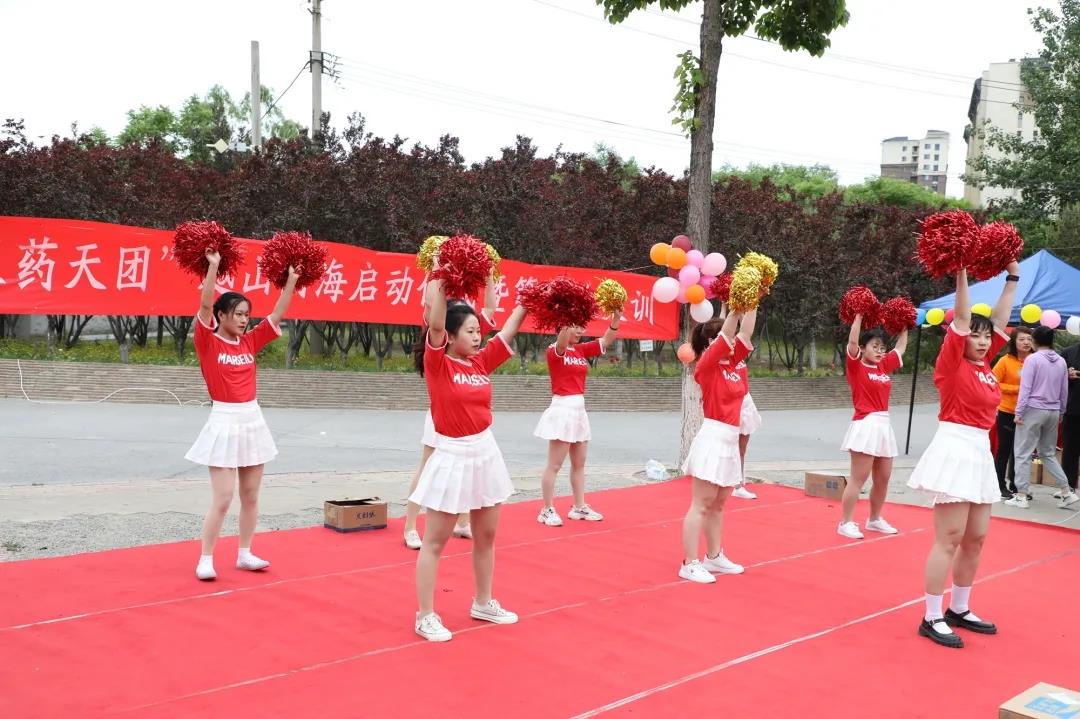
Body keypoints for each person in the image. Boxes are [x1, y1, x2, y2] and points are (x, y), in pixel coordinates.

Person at [410, 277, 528, 642]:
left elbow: (506, 334)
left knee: (486, 536)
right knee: (435, 541)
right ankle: (425, 615)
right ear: (451, 335)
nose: (478, 337)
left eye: (479, 331)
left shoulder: (479, 363)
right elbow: (434, 325)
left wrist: (527, 302)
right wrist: (444, 285)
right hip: (452, 454)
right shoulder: (438, 364)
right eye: (471, 331)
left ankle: (483, 602)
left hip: (485, 452)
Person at [907, 262, 1018, 648]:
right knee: (950, 537)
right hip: (954, 447)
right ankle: (931, 615)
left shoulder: (986, 364)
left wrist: (1012, 278)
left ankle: (959, 607)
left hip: (980, 452)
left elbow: (1000, 318)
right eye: (975, 335)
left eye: (987, 337)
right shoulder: (951, 363)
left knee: (976, 538)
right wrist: (961, 270)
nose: (983, 341)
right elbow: (963, 316)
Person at [186, 250, 298, 581]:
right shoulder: (208, 342)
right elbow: (204, 305)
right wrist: (213, 267)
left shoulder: (249, 342)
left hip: (252, 421)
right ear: (221, 316)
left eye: (247, 314)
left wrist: (291, 281)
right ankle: (206, 558)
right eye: (237, 314)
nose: (244, 319)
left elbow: (277, 315)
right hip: (223, 420)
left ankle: (245, 553)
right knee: (223, 498)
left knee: (250, 495)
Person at [403, 277, 499, 549]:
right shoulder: (442, 318)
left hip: (464, 405)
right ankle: (411, 526)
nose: (476, 335)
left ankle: (462, 522)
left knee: (467, 468)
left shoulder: (467, 320)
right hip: (443, 408)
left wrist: (489, 274)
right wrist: (436, 272)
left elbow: (490, 310)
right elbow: (430, 306)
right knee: (427, 464)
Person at [678, 307, 757, 584]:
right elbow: (729, 332)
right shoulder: (706, 365)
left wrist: (752, 300)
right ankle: (689, 563)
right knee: (701, 504)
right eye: (728, 337)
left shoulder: (733, 364)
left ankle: (713, 556)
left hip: (730, 439)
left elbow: (746, 333)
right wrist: (734, 310)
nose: (734, 340)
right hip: (713, 437)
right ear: (713, 342)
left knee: (719, 505)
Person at [534, 309, 622, 526]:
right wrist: (567, 310)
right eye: (575, 326)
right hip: (562, 409)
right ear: (564, 327)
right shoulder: (555, 350)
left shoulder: (581, 350)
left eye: (582, 326)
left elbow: (606, 341)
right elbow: (562, 341)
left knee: (579, 464)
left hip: (579, 410)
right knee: (554, 465)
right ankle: (546, 509)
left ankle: (579, 507)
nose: (580, 330)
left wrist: (616, 318)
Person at [837, 315, 908, 539]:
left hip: (884, 425)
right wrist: (858, 316)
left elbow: (900, 348)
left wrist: (904, 325)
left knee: (883, 478)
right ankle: (845, 522)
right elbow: (851, 342)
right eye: (874, 346)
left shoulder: (883, 366)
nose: (879, 351)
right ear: (863, 349)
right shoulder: (856, 367)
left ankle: (874, 519)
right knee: (858, 479)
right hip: (865, 424)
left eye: (882, 348)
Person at [1006, 326, 1077, 509]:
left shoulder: (1033, 359)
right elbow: (1064, 390)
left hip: (1033, 409)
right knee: (1048, 453)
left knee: (1022, 452)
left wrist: (1019, 412)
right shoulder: (1061, 361)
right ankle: (1066, 491)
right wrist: (1061, 411)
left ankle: (1021, 495)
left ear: (1035, 341)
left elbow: (1026, 388)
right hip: (1053, 410)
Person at [992, 327, 1033, 500]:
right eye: (1022, 339)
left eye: (1029, 339)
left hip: (1028, 413)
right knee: (1004, 449)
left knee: (1021, 452)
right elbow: (994, 382)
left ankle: (1017, 486)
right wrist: (1018, 389)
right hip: (1007, 411)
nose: (1026, 342)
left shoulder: (1035, 361)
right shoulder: (1005, 361)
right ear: (1014, 342)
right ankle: (999, 485)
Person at [1061, 339, 1080, 497]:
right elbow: (1055, 377)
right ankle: (1068, 487)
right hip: (1072, 409)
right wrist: (1066, 375)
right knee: (1070, 449)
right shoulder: (1068, 352)